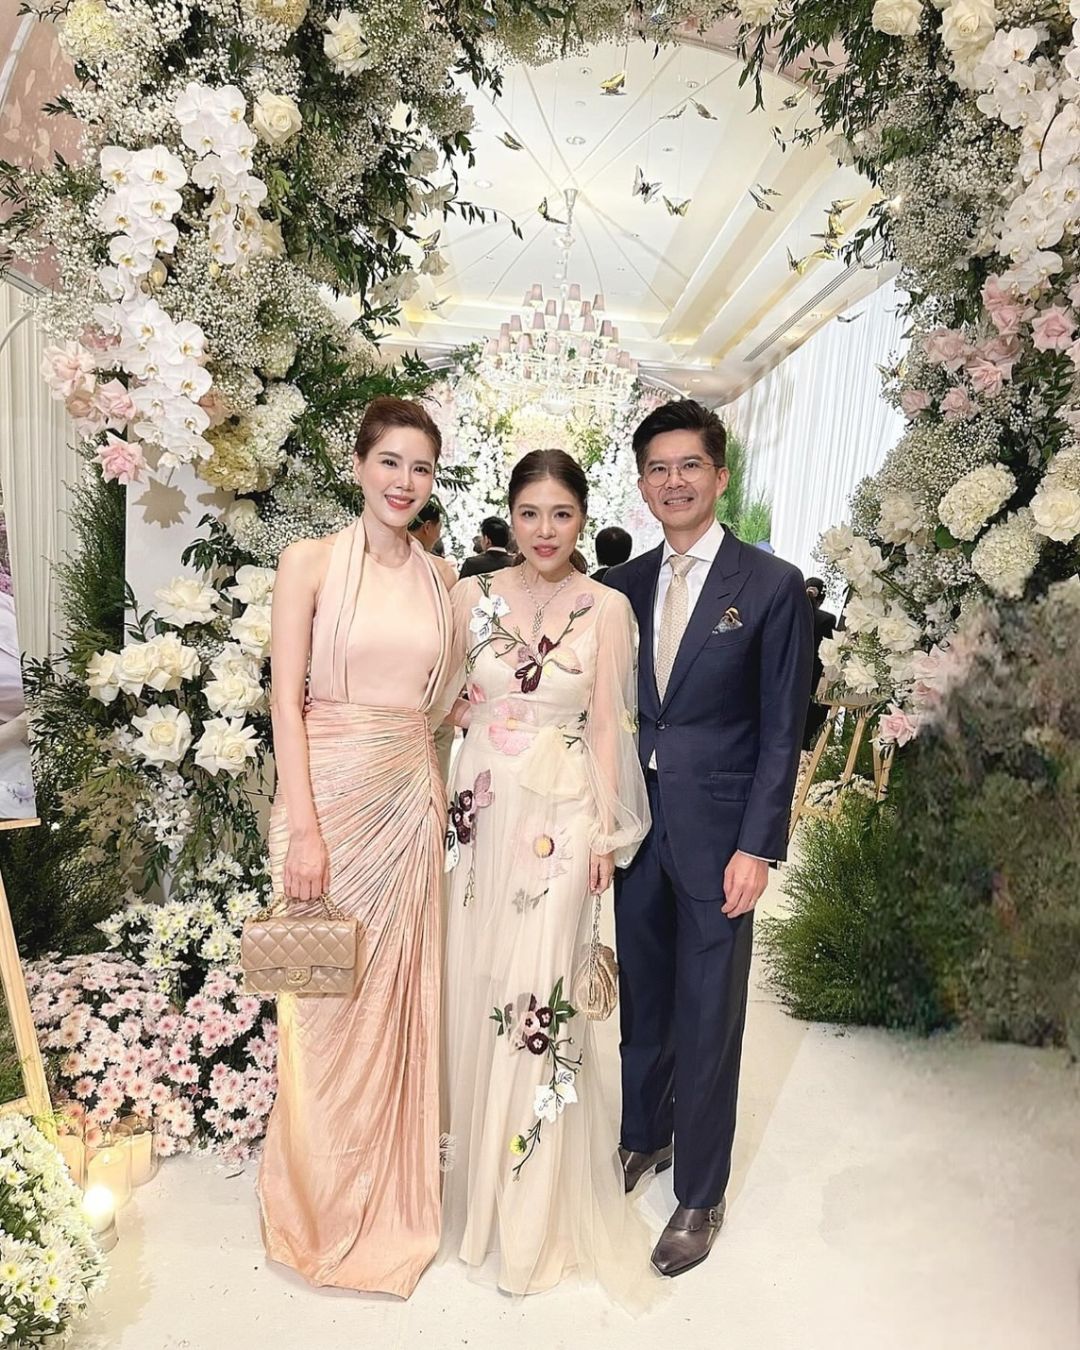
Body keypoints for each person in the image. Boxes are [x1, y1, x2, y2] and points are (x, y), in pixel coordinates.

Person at [440, 450, 658, 1307]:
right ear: (510, 514)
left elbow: (609, 725)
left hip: (563, 821)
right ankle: (480, 1202)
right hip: (482, 812)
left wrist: (604, 833)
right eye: (529, 513)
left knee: (540, 995)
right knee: (481, 979)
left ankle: (531, 1213)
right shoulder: (471, 596)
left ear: (583, 520)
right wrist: (462, 713)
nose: (544, 531)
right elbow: (438, 692)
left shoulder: (607, 608)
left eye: (561, 514)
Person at [604, 399, 813, 1278]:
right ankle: (645, 1133)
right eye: (658, 468)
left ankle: (699, 1191)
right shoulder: (619, 587)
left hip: (721, 836)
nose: (674, 481)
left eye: (690, 465)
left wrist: (757, 848)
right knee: (643, 997)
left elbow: (783, 730)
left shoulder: (770, 585)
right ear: (642, 483)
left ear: (720, 476)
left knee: (708, 1012)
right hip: (636, 828)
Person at [259, 396, 455, 1297]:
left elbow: (442, 700)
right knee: (319, 1012)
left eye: (421, 467)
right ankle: (316, 1206)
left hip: (407, 803)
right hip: (325, 807)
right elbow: (284, 701)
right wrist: (302, 827)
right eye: (390, 462)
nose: (404, 482)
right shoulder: (308, 562)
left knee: (394, 1006)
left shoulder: (443, 580)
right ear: (359, 465)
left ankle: (385, 1204)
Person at [803, 577, 837, 751]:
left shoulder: (789, 615)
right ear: (822, 599)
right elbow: (829, 656)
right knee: (807, 737)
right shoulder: (828, 620)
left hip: (785, 681)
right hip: (814, 685)